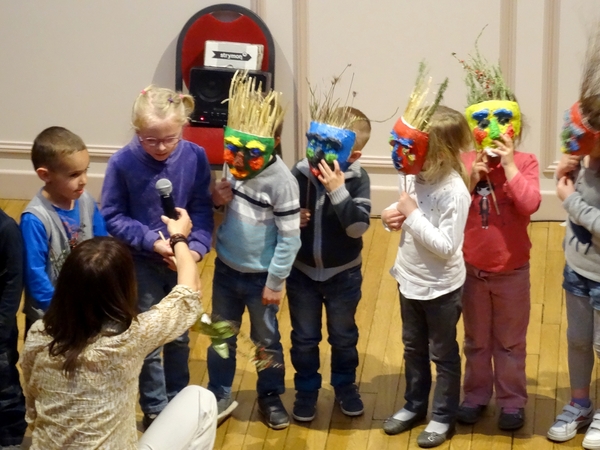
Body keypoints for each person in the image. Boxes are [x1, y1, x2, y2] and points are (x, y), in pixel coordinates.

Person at [20, 209, 217, 449]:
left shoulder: (39, 334)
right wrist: (179, 237)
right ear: (124, 289)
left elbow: (33, 413)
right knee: (201, 400)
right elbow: (191, 293)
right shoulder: (129, 338)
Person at [101, 85, 214, 429]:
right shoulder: (122, 163)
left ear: (182, 128)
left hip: (182, 262)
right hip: (141, 263)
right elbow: (113, 214)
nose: (162, 147)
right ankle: (154, 408)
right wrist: (153, 242)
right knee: (147, 339)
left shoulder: (194, 156)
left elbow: (202, 208)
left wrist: (193, 249)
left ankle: (178, 401)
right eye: (152, 141)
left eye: (170, 139)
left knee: (179, 333)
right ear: (137, 132)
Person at [453, 46, 541, 431]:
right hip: (472, 269)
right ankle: (474, 395)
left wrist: (507, 165)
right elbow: (453, 206)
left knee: (510, 342)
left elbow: (530, 203)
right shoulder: (466, 162)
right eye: (483, 122)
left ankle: (511, 401)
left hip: (512, 271)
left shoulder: (526, 163)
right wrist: (474, 176)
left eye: (503, 121)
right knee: (475, 340)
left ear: (515, 127)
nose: (493, 130)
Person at [209, 72, 300, 429]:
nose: (239, 159)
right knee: (220, 334)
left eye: (252, 152)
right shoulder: (233, 165)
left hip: (262, 277)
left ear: (274, 142)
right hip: (226, 269)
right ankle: (218, 390)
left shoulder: (282, 182)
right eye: (233, 148)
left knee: (266, 341)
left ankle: (270, 395)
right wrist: (216, 201)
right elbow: (220, 212)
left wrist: (275, 282)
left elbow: (290, 238)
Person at [382, 94, 471, 448]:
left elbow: (448, 247)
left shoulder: (454, 192)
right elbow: (405, 212)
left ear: (439, 154)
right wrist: (393, 217)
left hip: (441, 289)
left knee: (443, 354)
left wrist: (412, 215)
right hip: (409, 279)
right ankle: (414, 406)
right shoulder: (411, 176)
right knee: (412, 348)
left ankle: (443, 416)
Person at [286, 106, 371, 422]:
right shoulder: (298, 173)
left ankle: (344, 385)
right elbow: (278, 217)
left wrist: (338, 192)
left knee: (343, 336)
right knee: (304, 337)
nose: (320, 153)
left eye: (333, 147)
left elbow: (357, 228)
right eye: (316, 142)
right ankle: (307, 388)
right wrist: (291, 218)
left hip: (343, 275)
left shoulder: (358, 179)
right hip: (302, 274)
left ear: (354, 154)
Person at [547, 29, 600, 449]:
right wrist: (566, 173)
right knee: (579, 339)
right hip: (577, 269)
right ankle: (580, 402)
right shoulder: (584, 159)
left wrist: (568, 200)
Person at [20, 126, 107, 333]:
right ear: (45, 175)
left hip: (86, 310)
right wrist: (61, 312)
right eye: (74, 174)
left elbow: (103, 245)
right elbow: (34, 274)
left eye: (86, 170)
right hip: (50, 317)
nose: (84, 179)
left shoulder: (85, 200)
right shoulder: (35, 219)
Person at [0, 208, 26, 450]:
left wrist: (2, 323)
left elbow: (13, 281)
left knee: (5, 387)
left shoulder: (6, 229)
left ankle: (9, 438)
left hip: (0, 331)